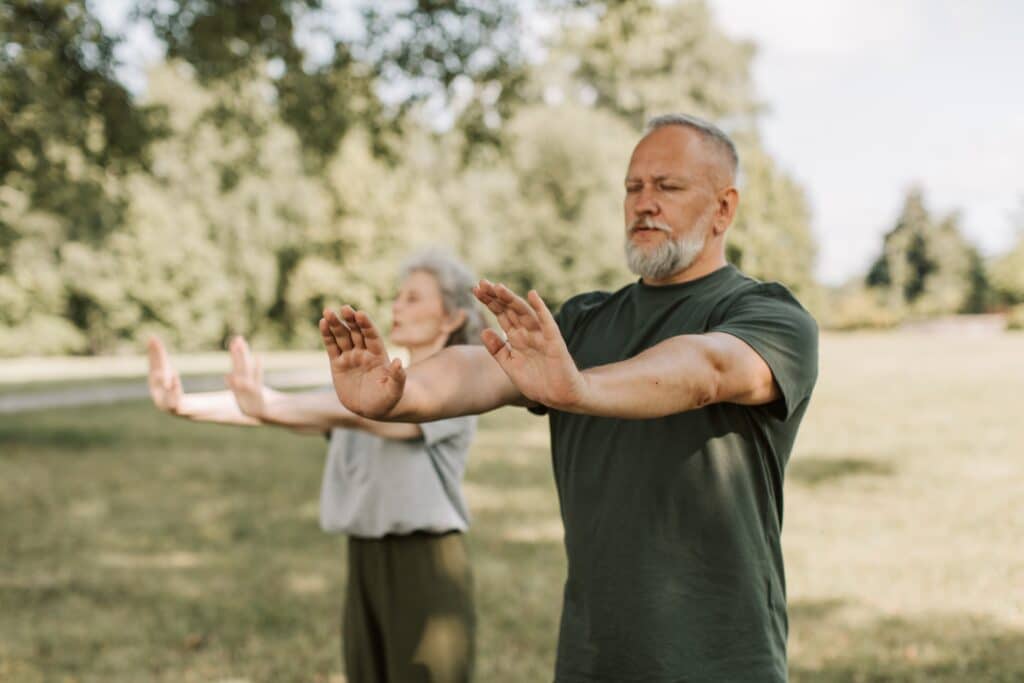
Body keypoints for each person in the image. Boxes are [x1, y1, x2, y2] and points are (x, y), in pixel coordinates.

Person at [318, 114, 819, 682]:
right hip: (593, 658)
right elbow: (484, 367)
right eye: (633, 187)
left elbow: (708, 368)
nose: (643, 204)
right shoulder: (585, 322)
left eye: (668, 186)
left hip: (721, 661)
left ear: (724, 209)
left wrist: (581, 390)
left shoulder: (771, 316)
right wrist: (399, 397)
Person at [148, 250, 486, 683]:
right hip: (364, 555)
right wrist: (183, 404)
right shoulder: (363, 386)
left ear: (452, 318)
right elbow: (296, 409)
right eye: (398, 296)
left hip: (425, 561)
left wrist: (271, 403)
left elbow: (369, 416)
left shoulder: (459, 384)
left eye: (414, 298)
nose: (398, 306)